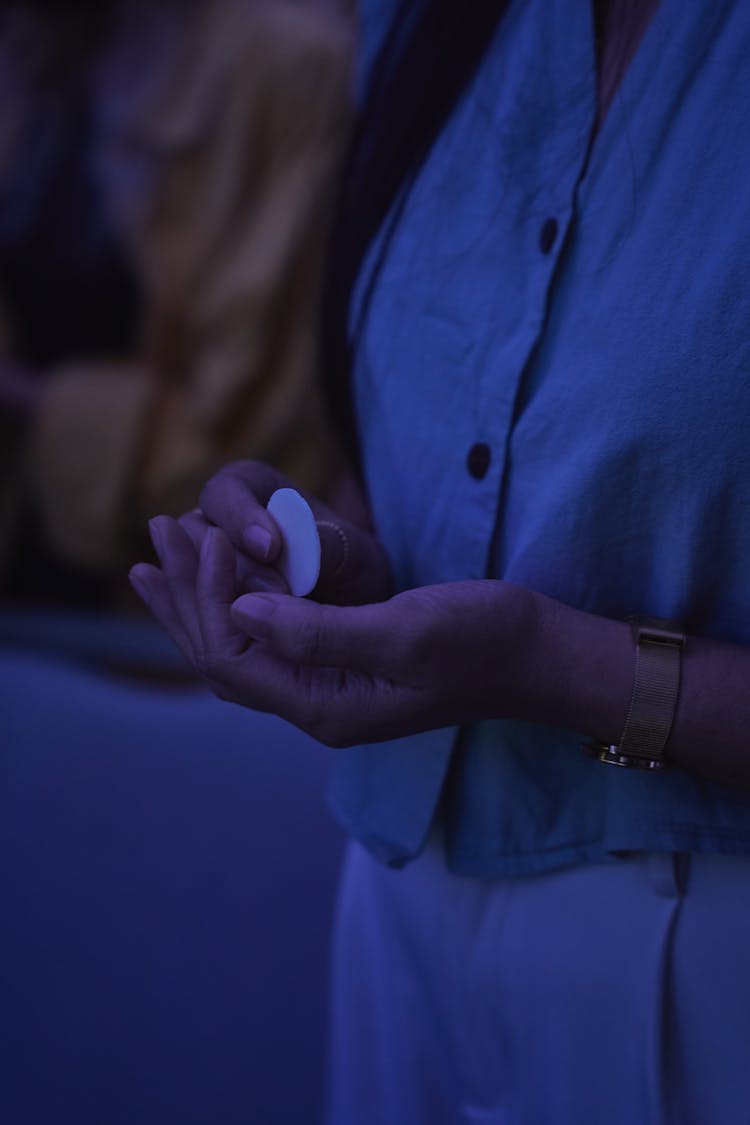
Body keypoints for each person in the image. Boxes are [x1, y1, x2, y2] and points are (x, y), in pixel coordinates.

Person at [130, 0, 750, 1121]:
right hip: (399, 910)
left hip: (706, 961)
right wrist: (327, 558)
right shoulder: (430, 21)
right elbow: (428, 448)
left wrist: (554, 664)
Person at [0, 0, 351, 615]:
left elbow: (269, 447)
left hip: (169, 633)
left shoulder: (289, 66)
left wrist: (37, 406)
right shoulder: (31, 55)